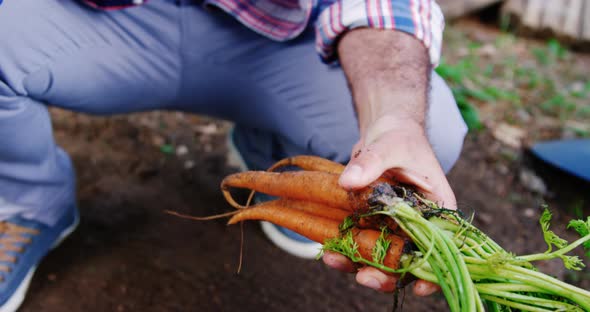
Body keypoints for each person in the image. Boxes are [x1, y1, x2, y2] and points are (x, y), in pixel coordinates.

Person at [0, 0, 467, 310]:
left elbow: (384, 8)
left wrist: (394, 122)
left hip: (275, 38)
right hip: (108, 21)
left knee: (431, 133)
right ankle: (30, 205)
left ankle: (267, 152)